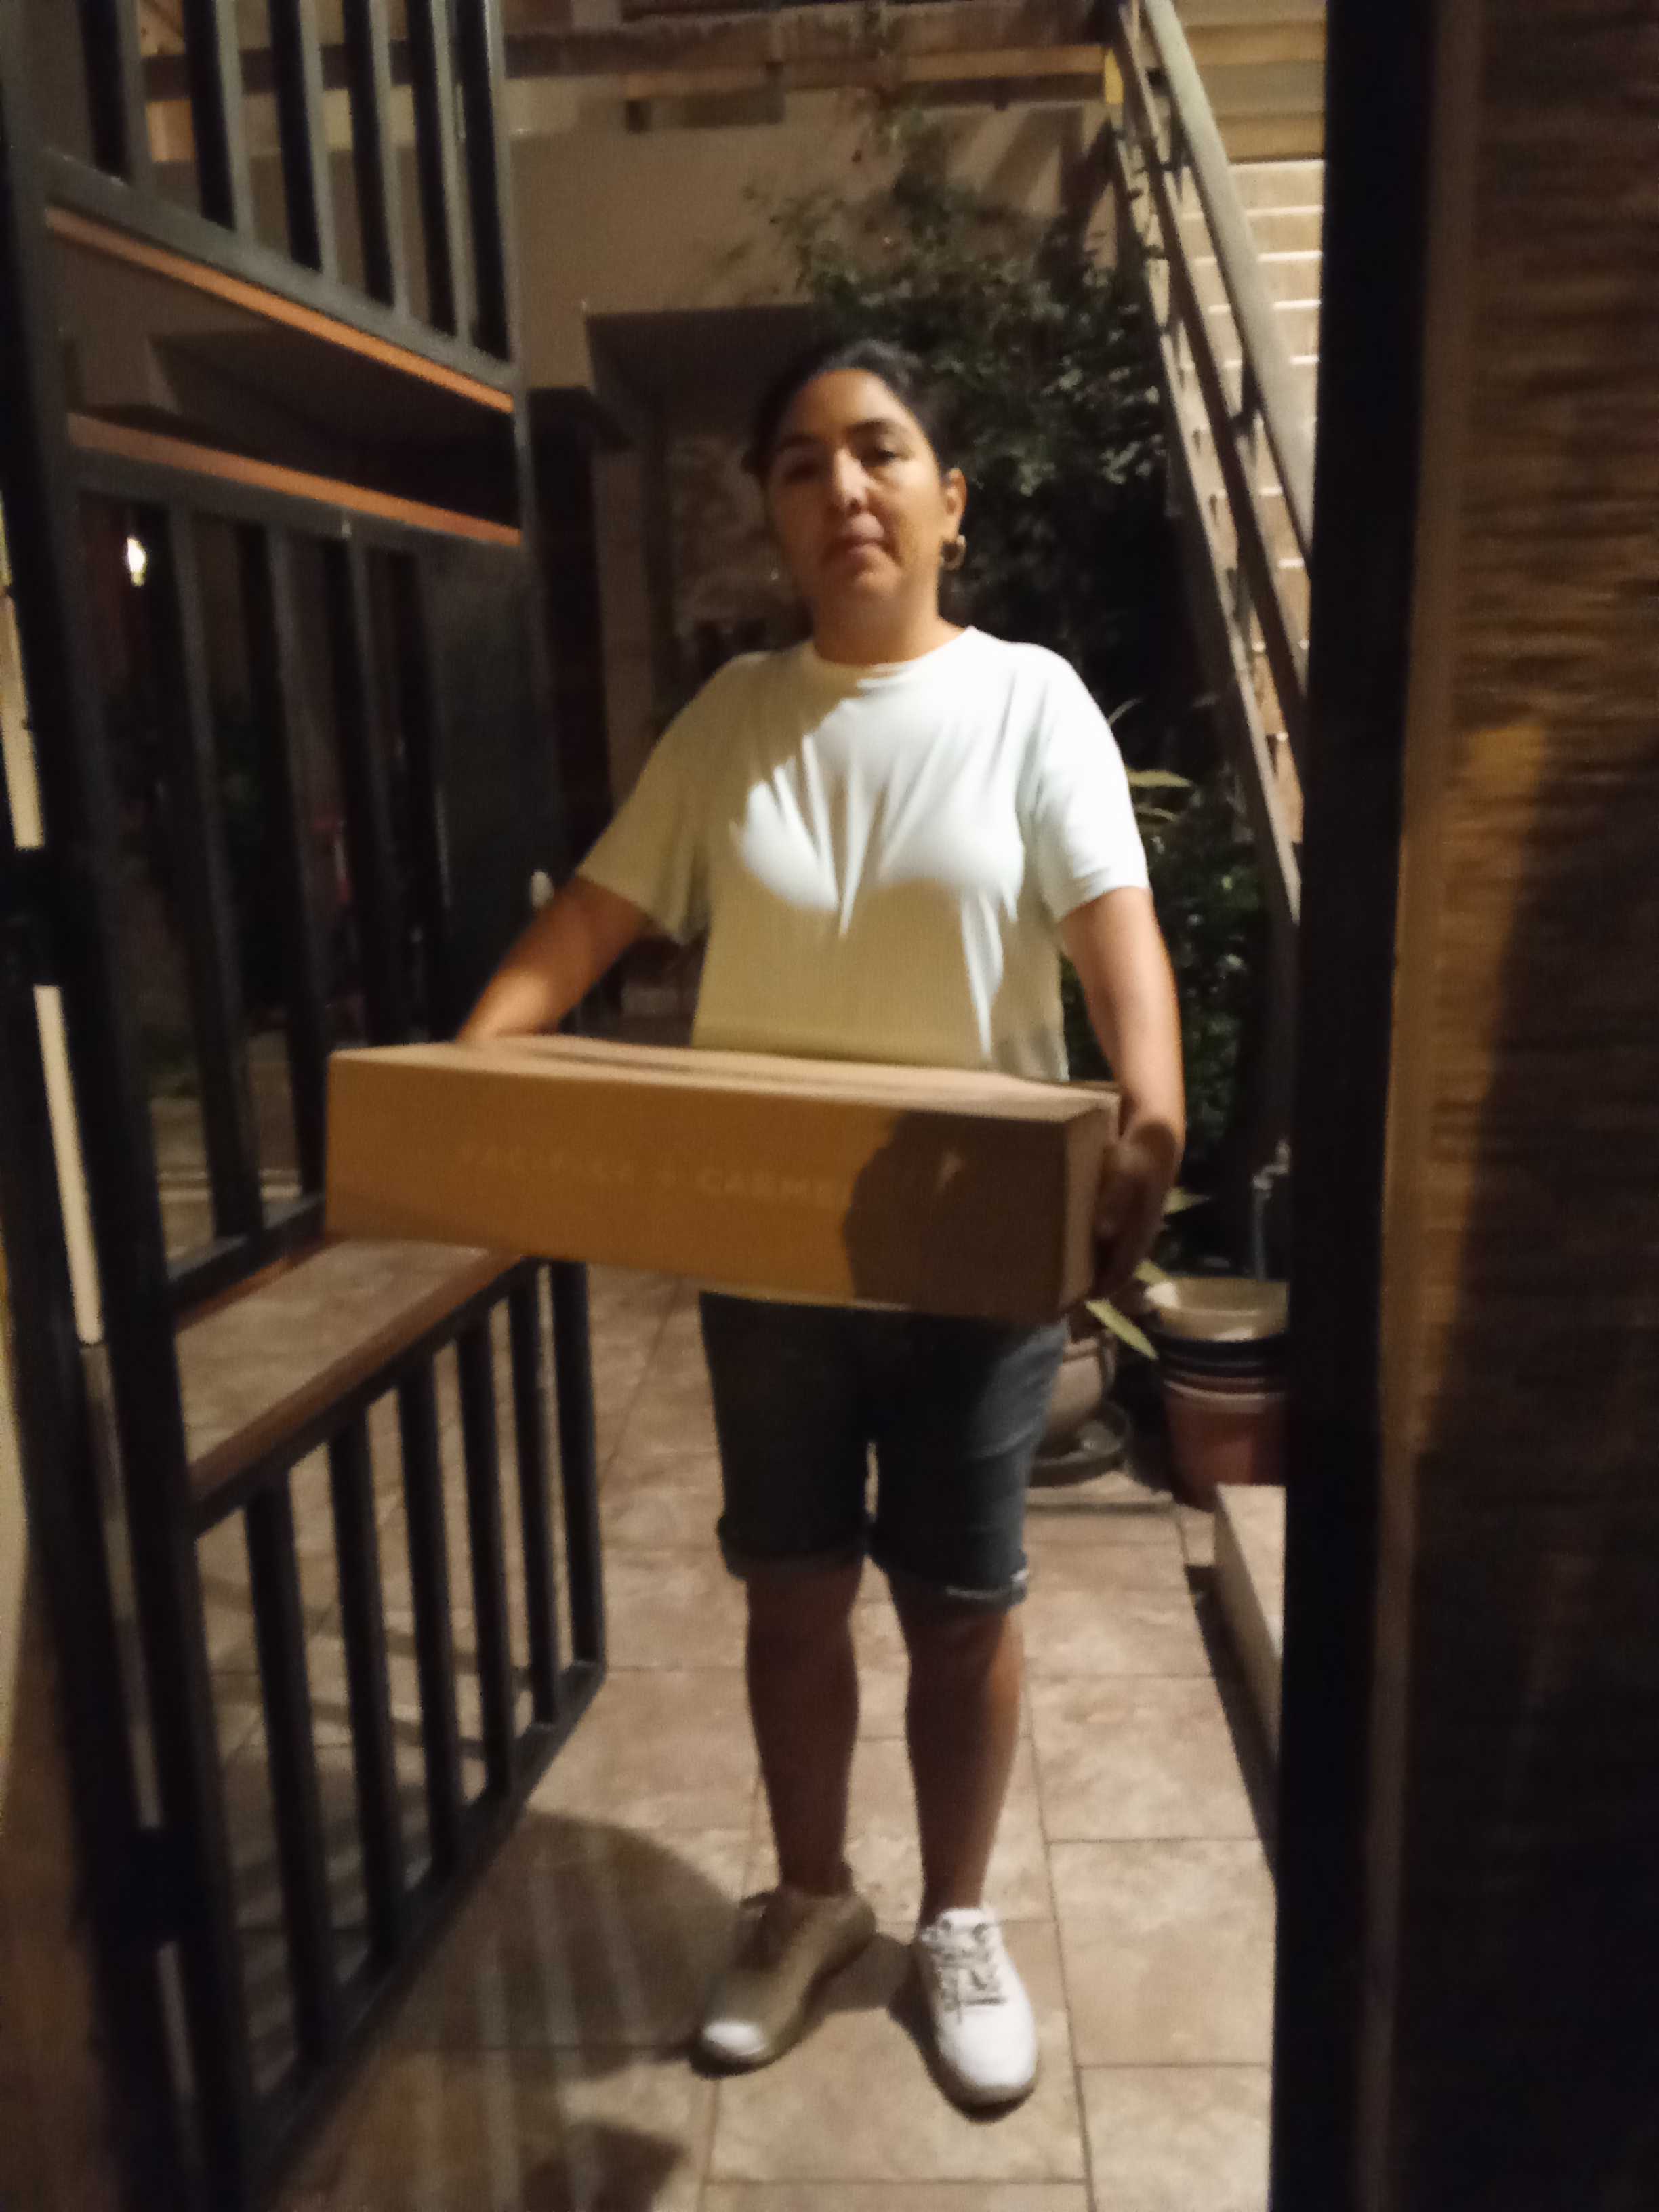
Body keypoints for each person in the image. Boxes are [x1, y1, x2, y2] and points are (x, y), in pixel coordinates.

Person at [458, 337, 1185, 2109]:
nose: (843, 488)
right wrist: (473, 1074)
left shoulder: (1029, 702)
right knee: (790, 1592)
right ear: (777, 518)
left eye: (879, 451)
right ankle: (807, 1897)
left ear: (948, 499)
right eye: (801, 464)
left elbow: (1116, 933)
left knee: (961, 1604)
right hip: (769, 1256)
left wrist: (1152, 1105)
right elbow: (594, 918)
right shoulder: (731, 720)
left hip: (968, 1258)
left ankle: (954, 1917)